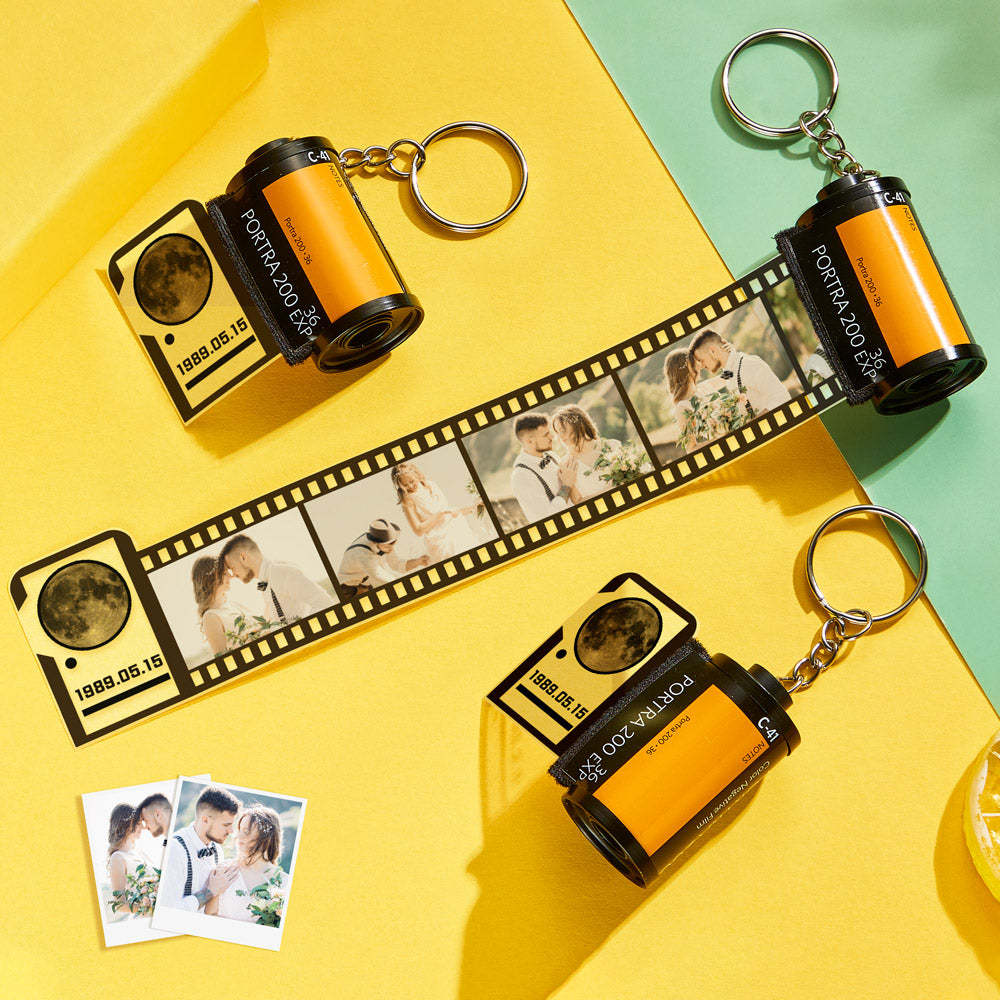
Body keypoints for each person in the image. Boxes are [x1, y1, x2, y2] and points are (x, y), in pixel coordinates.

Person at [158, 785, 241, 912]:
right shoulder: (175, 849)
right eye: (226, 825)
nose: (231, 831)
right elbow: (167, 910)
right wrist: (209, 892)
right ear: (205, 819)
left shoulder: (217, 850)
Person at [220, 535, 333, 625]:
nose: (233, 575)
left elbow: (325, 603)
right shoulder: (262, 583)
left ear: (243, 557)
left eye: (232, 568)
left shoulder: (282, 572)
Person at [205, 804, 286, 923]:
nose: (238, 836)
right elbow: (209, 916)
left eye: (246, 831)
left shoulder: (285, 883)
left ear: (266, 838)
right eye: (239, 830)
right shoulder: (224, 870)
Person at [391, 461, 480, 562]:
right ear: (400, 485)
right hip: (438, 539)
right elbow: (418, 530)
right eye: (405, 485)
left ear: (417, 474)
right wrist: (439, 514)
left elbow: (448, 510)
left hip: (455, 527)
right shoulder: (408, 500)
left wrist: (472, 508)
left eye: (412, 481)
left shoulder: (431, 485)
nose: (410, 486)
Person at [689, 328, 791, 415]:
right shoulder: (730, 371)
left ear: (713, 351)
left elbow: (782, 397)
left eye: (701, 360)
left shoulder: (748, 364)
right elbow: (713, 384)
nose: (701, 366)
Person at [509, 412, 580, 524]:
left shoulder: (551, 456)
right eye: (546, 434)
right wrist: (566, 486)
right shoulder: (521, 477)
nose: (552, 437)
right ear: (529, 441)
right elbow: (545, 518)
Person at [336, 518, 430, 598]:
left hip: (365, 585)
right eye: (388, 545)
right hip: (349, 590)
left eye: (393, 543)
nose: (392, 548)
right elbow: (379, 575)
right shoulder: (362, 553)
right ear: (376, 543)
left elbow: (396, 564)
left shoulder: (386, 542)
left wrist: (418, 561)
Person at [550, 404, 619, 500]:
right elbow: (578, 501)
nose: (560, 437)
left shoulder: (612, 446)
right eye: (557, 432)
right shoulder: (565, 465)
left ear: (579, 425)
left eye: (563, 430)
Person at [107, 804, 147, 919]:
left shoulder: (140, 853)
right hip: (142, 917)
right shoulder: (118, 857)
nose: (143, 827)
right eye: (138, 823)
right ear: (126, 824)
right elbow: (120, 904)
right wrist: (149, 906)